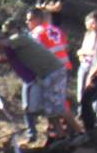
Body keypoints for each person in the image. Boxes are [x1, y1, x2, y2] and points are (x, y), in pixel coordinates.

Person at [0, 22, 85, 146]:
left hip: (53, 73)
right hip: (46, 74)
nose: (6, 35)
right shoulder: (16, 39)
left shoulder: (20, 38)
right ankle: (61, 136)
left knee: (58, 107)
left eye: (7, 32)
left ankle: (80, 133)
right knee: (50, 109)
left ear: (15, 29)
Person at [25, 8, 72, 141]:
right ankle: (62, 131)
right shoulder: (55, 29)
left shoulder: (37, 33)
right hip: (63, 66)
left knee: (52, 104)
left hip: (52, 70)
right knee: (59, 101)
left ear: (38, 19)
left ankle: (64, 133)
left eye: (29, 20)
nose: (27, 23)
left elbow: (34, 53)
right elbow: (65, 45)